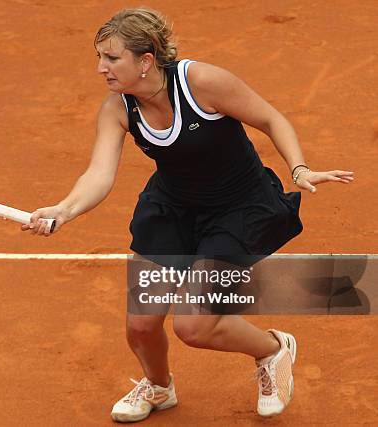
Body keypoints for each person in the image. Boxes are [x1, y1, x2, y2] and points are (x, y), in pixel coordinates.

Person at [22, 7, 354, 423]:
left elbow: (270, 118)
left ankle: (272, 349)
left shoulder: (201, 83)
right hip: (173, 210)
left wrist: (299, 168)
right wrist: (64, 209)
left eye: (111, 58)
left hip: (238, 210)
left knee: (193, 326)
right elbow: (99, 174)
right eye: (99, 57)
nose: (100, 68)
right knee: (141, 327)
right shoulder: (118, 109)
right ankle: (160, 388)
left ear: (145, 61)